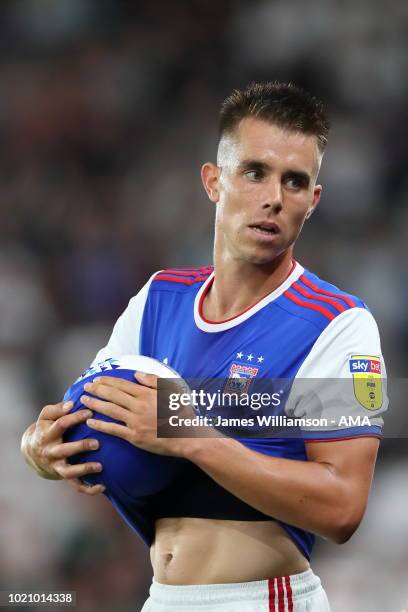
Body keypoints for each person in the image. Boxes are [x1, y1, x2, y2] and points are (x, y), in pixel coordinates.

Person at [21, 81, 388, 612]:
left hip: (265, 599)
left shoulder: (339, 324)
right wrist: (40, 449)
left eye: (295, 181)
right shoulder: (158, 299)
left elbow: (343, 508)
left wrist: (190, 434)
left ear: (313, 199)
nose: (273, 198)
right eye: (255, 172)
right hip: (162, 596)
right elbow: (86, 418)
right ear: (214, 181)